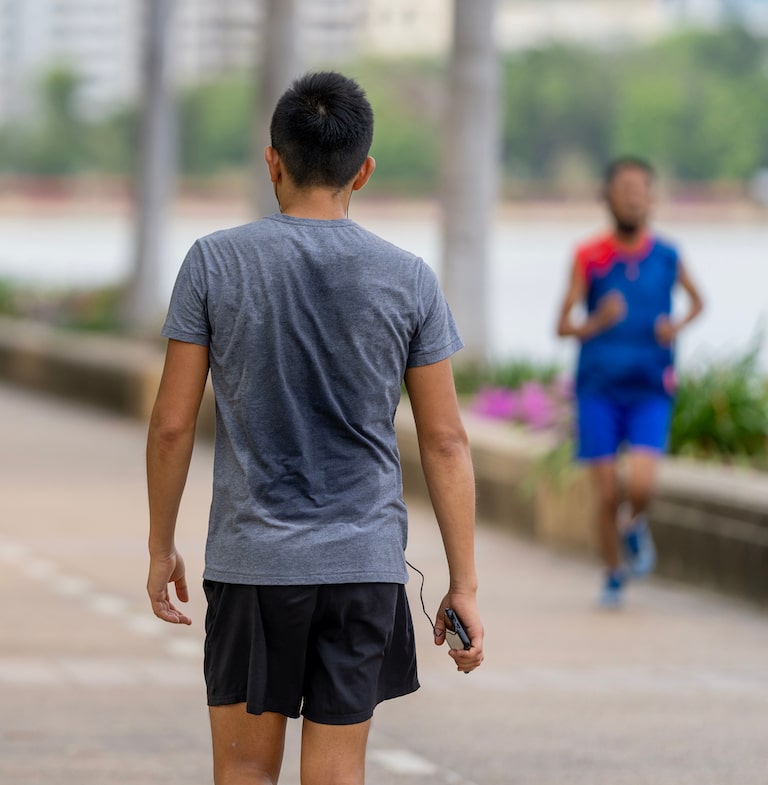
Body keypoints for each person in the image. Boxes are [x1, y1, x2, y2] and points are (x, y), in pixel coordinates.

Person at [145, 71, 483, 785]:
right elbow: (446, 439)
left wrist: (159, 545)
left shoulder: (214, 262)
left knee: (244, 773)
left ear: (272, 160)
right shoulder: (409, 277)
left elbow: (172, 426)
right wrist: (464, 583)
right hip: (363, 564)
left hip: (251, 564)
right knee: (335, 775)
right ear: (362, 170)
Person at [555, 156, 704, 609]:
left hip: (649, 388)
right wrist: (597, 320)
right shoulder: (589, 256)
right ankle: (613, 573)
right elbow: (562, 325)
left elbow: (698, 303)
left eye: (640, 190)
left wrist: (674, 328)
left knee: (641, 486)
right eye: (624, 188)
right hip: (598, 387)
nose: (633, 197)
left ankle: (634, 525)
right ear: (607, 197)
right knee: (605, 491)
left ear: (652, 198)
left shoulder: (668, 256)